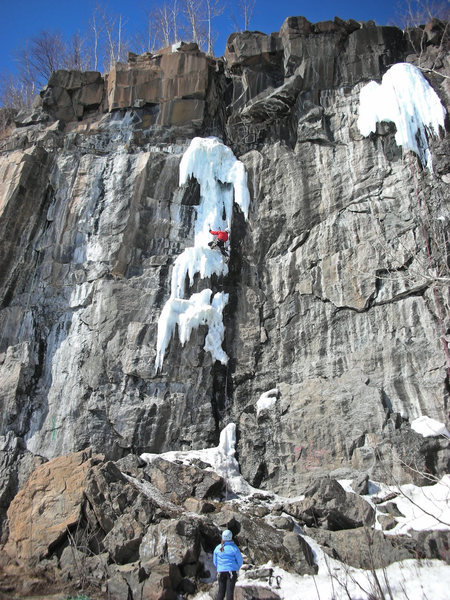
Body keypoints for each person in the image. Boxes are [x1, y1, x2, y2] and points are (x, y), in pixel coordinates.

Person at [213, 529, 243, 600]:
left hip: (220, 572)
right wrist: (236, 568)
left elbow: (215, 561)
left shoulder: (218, 548)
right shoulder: (234, 548)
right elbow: (240, 561)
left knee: (221, 593)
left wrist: (220, 568)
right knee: (229, 593)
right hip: (231, 572)